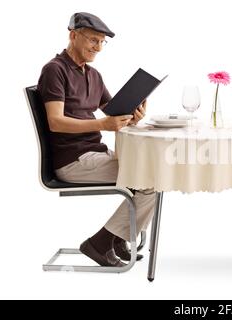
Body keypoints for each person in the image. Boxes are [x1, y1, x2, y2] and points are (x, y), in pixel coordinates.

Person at [37, 12, 155, 267]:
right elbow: (55, 121)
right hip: (72, 162)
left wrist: (132, 117)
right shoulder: (54, 71)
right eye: (93, 40)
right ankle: (101, 243)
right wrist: (103, 124)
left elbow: (113, 112)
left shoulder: (93, 75)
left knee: (151, 173)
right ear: (73, 35)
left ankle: (115, 240)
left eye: (102, 42)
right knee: (152, 178)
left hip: (94, 154)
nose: (98, 48)